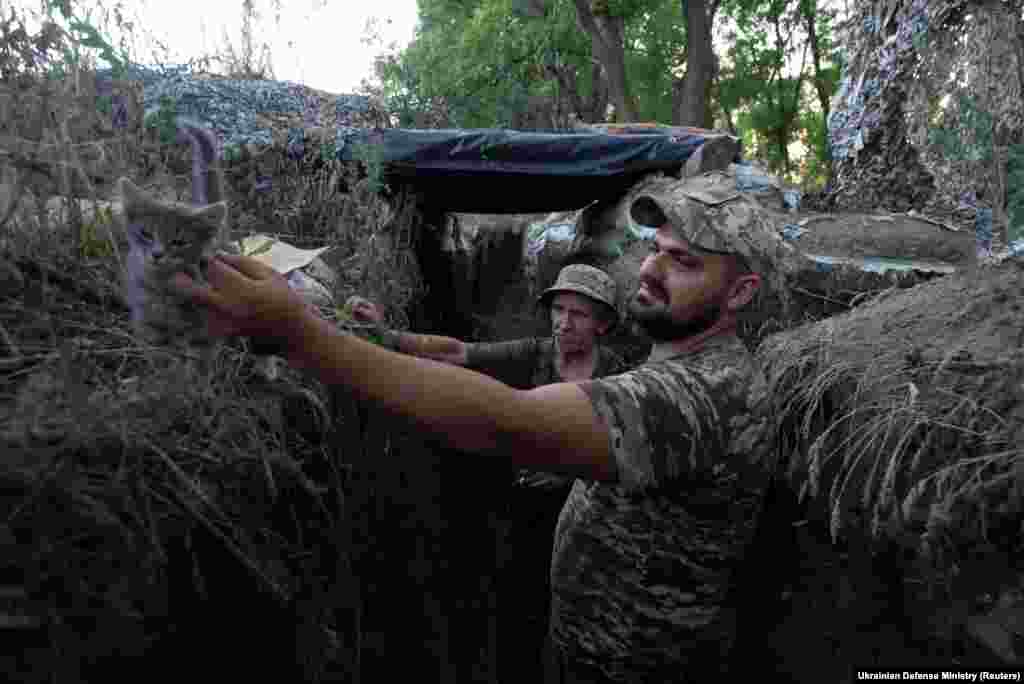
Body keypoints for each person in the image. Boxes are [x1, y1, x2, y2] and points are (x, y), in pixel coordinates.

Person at [172, 180, 778, 682]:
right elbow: (462, 356)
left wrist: (301, 335)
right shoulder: (667, 367)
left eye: (684, 260)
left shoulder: (707, 394)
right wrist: (367, 333)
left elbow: (506, 423)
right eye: (657, 247)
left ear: (742, 292)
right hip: (586, 642)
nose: (650, 267)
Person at [345, 263, 632, 681]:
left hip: (586, 520)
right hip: (523, 513)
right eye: (558, 310)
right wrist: (386, 336)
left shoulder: (619, 375)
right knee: (516, 606)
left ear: (602, 325)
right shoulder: (533, 354)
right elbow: (457, 353)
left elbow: (622, 454)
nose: (564, 323)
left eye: (579, 314)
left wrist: (567, 476)